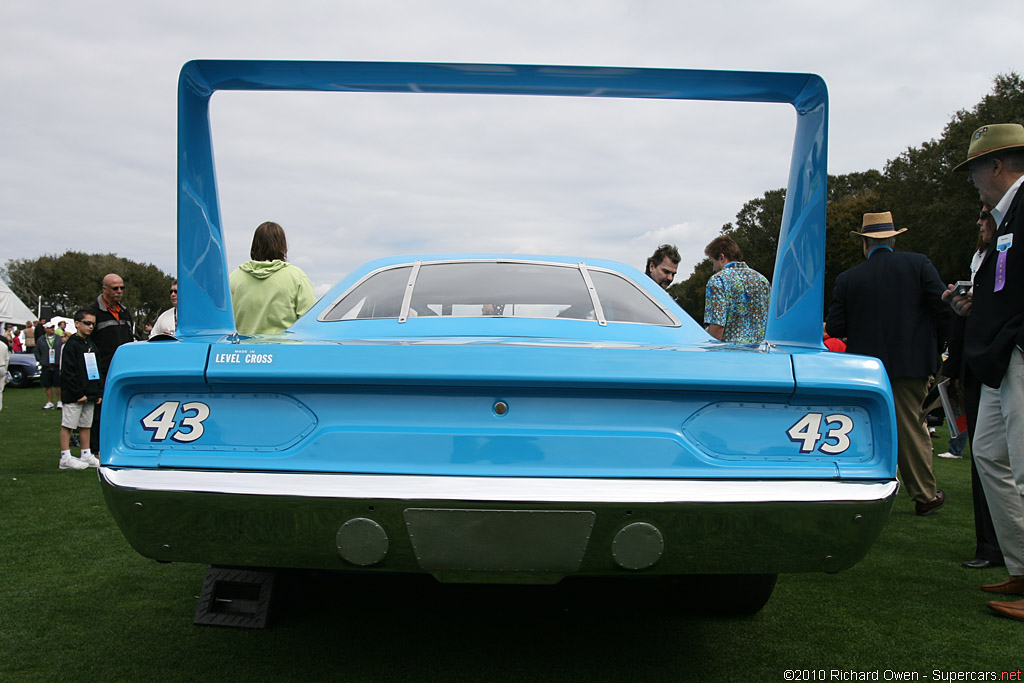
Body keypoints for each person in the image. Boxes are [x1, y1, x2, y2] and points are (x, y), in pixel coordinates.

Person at [946, 123, 1024, 621]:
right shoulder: (1006, 219)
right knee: (991, 457)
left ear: (995, 165)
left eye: (975, 168)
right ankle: (1020, 565)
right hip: (998, 359)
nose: (972, 180)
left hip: (1016, 353)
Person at [826, 211, 949, 516]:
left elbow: (837, 327)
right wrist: (939, 348)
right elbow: (943, 308)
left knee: (867, 429)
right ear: (892, 239)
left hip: (866, 368)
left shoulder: (849, 278)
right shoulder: (918, 264)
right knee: (911, 428)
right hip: (912, 362)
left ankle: (863, 490)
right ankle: (924, 494)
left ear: (865, 243)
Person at [230, 221, 315, 335]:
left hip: (244, 350)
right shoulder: (297, 277)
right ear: (283, 246)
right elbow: (310, 321)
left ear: (254, 245)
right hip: (284, 350)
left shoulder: (233, 278)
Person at [87, 273, 135, 454]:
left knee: (120, 407)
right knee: (99, 410)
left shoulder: (124, 311)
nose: (119, 291)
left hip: (122, 368)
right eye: (115, 288)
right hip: (102, 369)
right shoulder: (93, 312)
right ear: (104, 289)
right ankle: (95, 448)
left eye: (122, 288)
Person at [702, 235, 771, 343]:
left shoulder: (718, 280)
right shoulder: (762, 280)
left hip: (729, 355)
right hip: (759, 354)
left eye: (712, 263)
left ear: (721, 257)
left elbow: (717, 326)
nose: (713, 269)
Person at [58, 310, 102, 470]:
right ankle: (65, 456)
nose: (91, 327)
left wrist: (97, 392)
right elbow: (68, 372)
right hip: (74, 395)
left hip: (89, 393)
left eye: (93, 324)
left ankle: (86, 453)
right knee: (68, 424)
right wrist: (78, 393)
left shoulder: (90, 345)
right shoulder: (71, 345)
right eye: (87, 323)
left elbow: (96, 369)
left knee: (86, 424)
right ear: (77, 323)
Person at [35, 322, 63, 409]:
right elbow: (37, 351)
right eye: (50, 327)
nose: (52, 329)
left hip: (57, 364)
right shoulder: (41, 339)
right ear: (45, 329)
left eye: (53, 327)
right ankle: (50, 402)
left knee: (58, 384)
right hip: (46, 365)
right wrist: (41, 360)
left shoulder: (59, 338)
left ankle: (59, 401)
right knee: (47, 385)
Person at [0, 335, 8, 413]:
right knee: (0, 390)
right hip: (2, 367)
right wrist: (5, 370)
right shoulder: (3, 345)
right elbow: (7, 359)